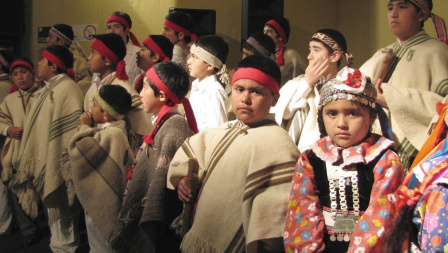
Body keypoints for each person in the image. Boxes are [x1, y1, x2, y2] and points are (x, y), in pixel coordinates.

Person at [168, 55, 300, 252]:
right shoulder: (223, 131)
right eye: (239, 89)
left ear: (274, 99)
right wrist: (182, 180)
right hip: (201, 234)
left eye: (256, 91)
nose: (245, 99)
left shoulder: (280, 146)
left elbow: (274, 215)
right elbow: (189, 156)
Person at [284, 67, 405, 252]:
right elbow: (301, 215)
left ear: (372, 116)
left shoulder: (385, 160)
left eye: (352, 113)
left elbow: (382, 216)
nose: (341, 123)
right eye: (332, 113)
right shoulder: (311, 159)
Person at [109, 61, 197, 252]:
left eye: (146, 86)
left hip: (162, 228)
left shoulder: (174, 128)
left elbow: (159, 187)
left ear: (163, 95)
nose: (140, 92)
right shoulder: (164, 122)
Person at [360, 0, 448, 171]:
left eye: (402, 7)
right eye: (390, 8)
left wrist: (393, 99)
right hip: (376, 149)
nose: (393, 13)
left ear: (422, 14)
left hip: (418, 154)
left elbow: (443, 107)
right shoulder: (381, 54)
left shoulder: (437, 52)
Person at [15, 45, 84, 252]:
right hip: (46, 162)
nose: (38, 64)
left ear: (53, 66)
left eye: (43, 61)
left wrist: (55, 164)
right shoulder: (49, 89)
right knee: (57, 227)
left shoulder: (67, 89)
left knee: (65, 224)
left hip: (59, 165)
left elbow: (65, 135)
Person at [64, 85, 135, 253]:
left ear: (105, 113)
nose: (90, 107)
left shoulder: (113, 134)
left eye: (94, 104)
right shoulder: (114, 130)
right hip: (98, 193)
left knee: (102, 244)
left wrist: (84, 127)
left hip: (104, 198)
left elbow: (80, 150)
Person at [271, 29, 352, 152]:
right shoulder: (298, 83)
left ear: (335, 56)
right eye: (310, 49)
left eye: (316, 50)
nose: (309, 56)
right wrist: (307, 83)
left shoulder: (348, 88)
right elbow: (283, 113)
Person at [0, 57, 41, 245]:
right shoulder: (10, 100)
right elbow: (1, 119)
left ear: (33, 73)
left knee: (43, 189)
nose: (20, 78)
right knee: (20, 191)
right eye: (15, 74)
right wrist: (8, 130)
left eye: (24, 72)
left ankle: (49, 225)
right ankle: (28, 231)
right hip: (18, 153)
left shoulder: (42, 95)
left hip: (39, 151)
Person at [84, 33, 152, 139]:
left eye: (93, 53)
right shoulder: (93, 87)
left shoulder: (123, 89)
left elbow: (142, 128)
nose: (89, 58)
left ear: (107, 60)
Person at [188, 35, 231, 131]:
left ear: (210, 66)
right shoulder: (197, 85)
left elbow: (218, 131)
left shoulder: (214, 91)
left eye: (194, 57)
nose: (189, 61)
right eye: (190, 56)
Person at [46, 24, 92, 96]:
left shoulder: (78, 61)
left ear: (61, 42)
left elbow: (86, 85)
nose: (47, 39)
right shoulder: (49, 59)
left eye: (50, 37)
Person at [263, 17, 306, 86]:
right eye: (264, 31)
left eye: (269, 31)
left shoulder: (290, 55)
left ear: (280, 37)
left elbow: (300, 82)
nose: (265, 35)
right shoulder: (265, 54)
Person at [106, 11, 143, 83]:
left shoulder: (138, 53)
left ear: (126, 31)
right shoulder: (102, 54)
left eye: (117, 26)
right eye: (109, 27)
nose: (111, 31)